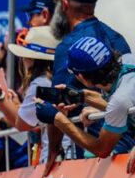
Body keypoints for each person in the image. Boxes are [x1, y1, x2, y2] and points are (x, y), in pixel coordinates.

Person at [46, 0, 133, 168]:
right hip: (127, 147)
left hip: (98, 155)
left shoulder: (69, 46)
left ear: (64, 3)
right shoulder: (117, 37)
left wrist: (53, 151)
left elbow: (58, 102)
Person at [37, 38, 135, 167]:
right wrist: (81, 96)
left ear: (81, 77)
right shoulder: (128, 59)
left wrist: (58, 119)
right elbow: (125, 105)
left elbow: (102, 149)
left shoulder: (119, 100)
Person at [0, 26, 59, 164]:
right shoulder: (56, 79)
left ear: (32, 58)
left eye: (24, 56)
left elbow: (22, 125)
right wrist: (18, 106)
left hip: (53, 157)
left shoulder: (40, 83)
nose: (23, 60)